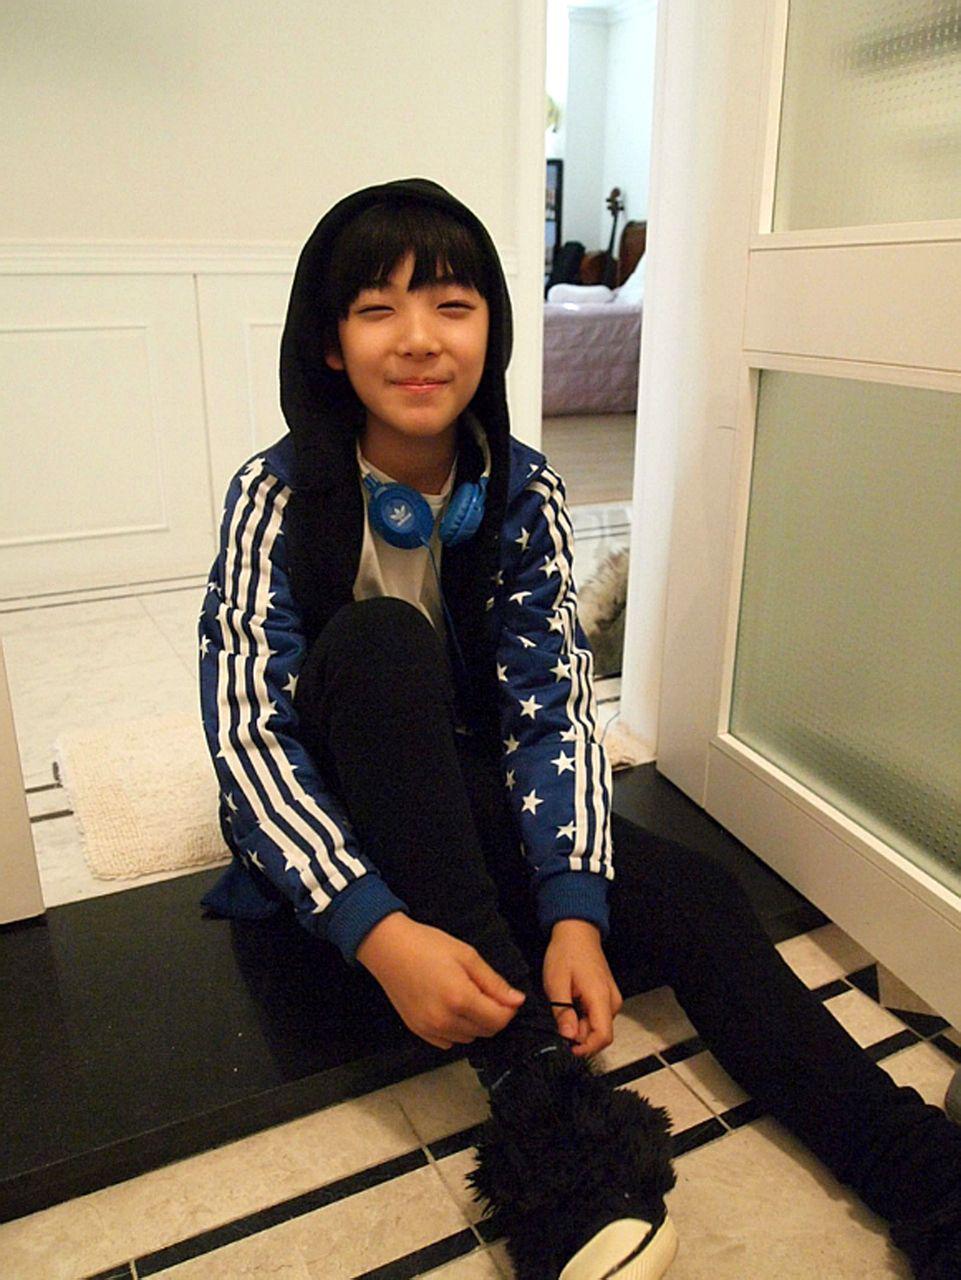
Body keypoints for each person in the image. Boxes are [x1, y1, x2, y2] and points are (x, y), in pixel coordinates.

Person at [197, 177, 961, 1280]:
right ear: (328, 344)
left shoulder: (520, 490)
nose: (419, 339)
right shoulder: (273, 497)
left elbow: (549, 709)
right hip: (336, 818)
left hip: (456, 789)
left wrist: (572, 907)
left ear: (493, 330)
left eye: (451, 305)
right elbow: (247, 739)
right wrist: (380, 932)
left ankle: (926, 1175)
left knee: (692, 892)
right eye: (376, 309)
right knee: (379, 643)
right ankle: (552, 1135)